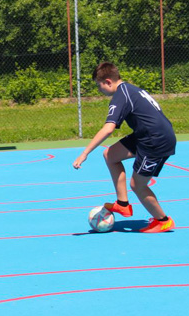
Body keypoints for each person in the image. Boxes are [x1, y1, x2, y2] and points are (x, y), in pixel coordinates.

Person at [72, 62, 176, 233]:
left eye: (99, 86)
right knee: (110, 155)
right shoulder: (130, 89)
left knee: (137, 185)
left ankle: (163, 220)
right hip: (147, 135)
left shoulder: (121, 96)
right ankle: (122, 204)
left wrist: (85, 153)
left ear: (108, 81)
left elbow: (108, 128)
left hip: (156, 140)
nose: (99, 90)